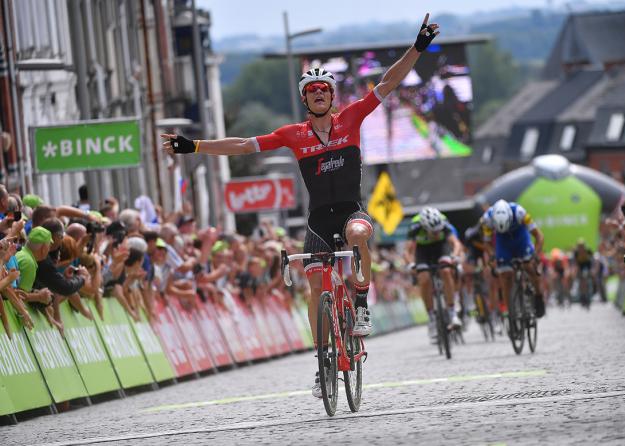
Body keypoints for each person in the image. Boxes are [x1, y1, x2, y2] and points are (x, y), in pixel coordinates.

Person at [162, 13, 440, 398]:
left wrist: (418, 47)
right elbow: (243, 145)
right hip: (317, 222)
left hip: (349, 211)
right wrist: (193, 146)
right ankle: (323, 357)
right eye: (313, 91)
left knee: (360, 232)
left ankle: (360, 304)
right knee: (315, 286)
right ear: (306, 99)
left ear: (332, 95)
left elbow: (388, 83)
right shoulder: (293, 135)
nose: (320, 94)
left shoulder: (351, 119)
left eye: (325, 88)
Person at [404, 207, 464, 341]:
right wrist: (410, 264)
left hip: (441, 248)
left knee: (446, 271)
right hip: (423, 251)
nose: (437, 233)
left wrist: (454, 256)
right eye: (433, 231)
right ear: (424, 228)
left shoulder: (443, 222)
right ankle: (431, 318)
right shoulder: (415, 226)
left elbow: (456, 243)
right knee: (424, 279)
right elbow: (407, 251)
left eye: (438, 230)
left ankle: (452, 312)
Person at [481, 199, 545, 318]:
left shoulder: (520, 212)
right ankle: (510, 310)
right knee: (505, 276)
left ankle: (538, 296)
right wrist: (492, 256)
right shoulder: (487, 219)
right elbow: (487, 243)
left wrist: (535, 255)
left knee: (530, 267)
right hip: (503, 243)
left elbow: (539, 236)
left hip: (521, 239)